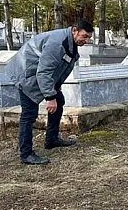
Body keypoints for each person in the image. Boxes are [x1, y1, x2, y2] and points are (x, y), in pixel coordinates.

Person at [6, 19, 94, 165]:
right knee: (29, 114)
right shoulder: (57, 43)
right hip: (25, 74)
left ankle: (51, 139)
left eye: (89, 38)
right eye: (84, 36)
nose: (86, 41)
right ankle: (26, 154)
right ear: (74, 30)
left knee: (59, 101)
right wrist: (49, 96)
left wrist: (57, 85)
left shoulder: (70, 42)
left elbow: (63, 64)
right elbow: (44, 71)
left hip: (37, 73)